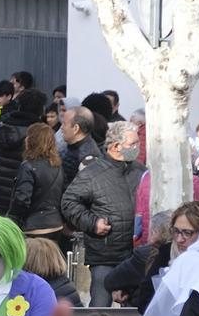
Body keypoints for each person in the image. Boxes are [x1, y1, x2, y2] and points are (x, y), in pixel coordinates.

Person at [61, 121, 144, 292]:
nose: (138, 147)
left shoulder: (140, 171)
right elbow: (69, 202)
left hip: (135, 253)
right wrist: (93, 223)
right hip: (105, 255)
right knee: (101, 305)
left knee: (134, 310)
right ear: (116, 146)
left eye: (138, 143)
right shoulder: (92, 173)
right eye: (133, 144)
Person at [10, 120, 67, 246]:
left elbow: (22, 199)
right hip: (56, 224)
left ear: (31, 141)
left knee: (32, 264)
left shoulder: (28, 166)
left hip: (34, 226)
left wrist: (12, 218)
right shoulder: (58, 166)